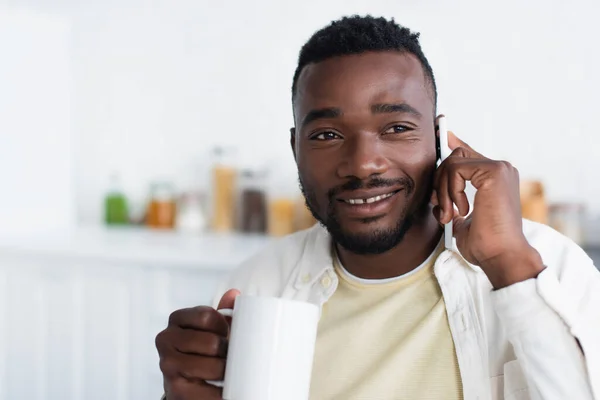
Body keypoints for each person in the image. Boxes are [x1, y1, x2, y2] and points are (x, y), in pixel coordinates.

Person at [155, 15, 600, 400]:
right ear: (295, 150)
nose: (362, 164)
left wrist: (509, 266)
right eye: (327, 135)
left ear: (442, 140)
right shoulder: (255, 287)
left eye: (397, 127)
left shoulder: (546, 266)